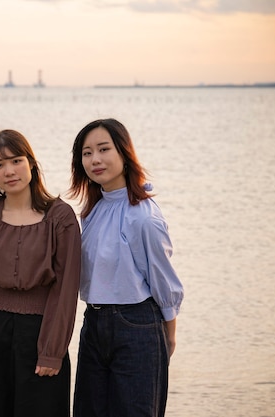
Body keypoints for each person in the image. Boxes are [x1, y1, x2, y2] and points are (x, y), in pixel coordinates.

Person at [69, 118, 184, 417]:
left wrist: (169, 332)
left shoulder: (143, 216)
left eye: (104, 149)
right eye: (87, 152)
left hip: (137, 325)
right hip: (93, 323)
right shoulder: (92, 209)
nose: (95, 159)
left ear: (124, 152)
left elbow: (162, 278)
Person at [0, 129, 81, 417]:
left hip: (42, 332)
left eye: (16, 161)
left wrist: (52, 351)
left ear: (31, 163)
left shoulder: (60, 216)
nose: (9, 171)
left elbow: (66, 289)